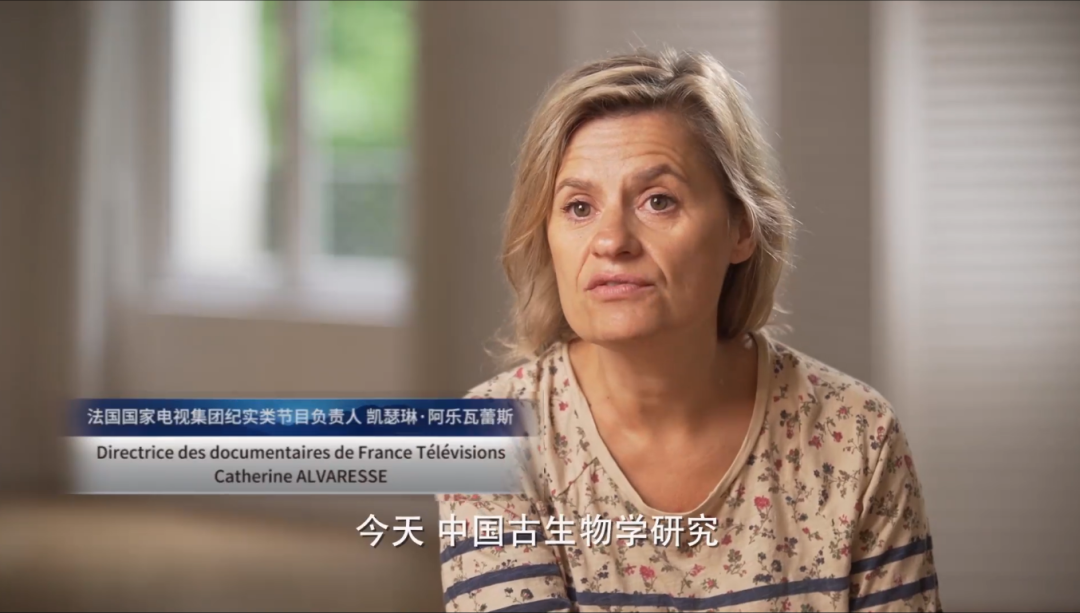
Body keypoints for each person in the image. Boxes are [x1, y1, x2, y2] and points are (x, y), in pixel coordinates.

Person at [437, 48, 941, 613]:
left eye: (658, 201)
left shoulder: (858, 435)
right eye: (578, 207)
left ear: (741, 229)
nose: (611, 241)